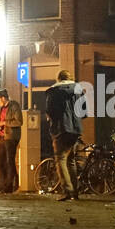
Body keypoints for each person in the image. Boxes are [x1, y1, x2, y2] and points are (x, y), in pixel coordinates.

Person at [45, 69, 82, 201]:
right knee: (71, 159)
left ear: (58, 79)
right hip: (75, 129)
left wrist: (53, 120)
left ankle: (67, 191)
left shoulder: (53, 92)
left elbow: (49, 110)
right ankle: (75, 192)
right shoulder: (77, 90)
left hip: (61, 129)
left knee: (60, 159)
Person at [0, 89, 23, 192]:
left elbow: (19, 121)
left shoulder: (14, 106)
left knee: (9, 161)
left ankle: (9, 186)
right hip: (2, 137)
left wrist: (4, 123)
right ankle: (7, 183)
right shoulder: (1, 109)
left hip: (11, 137)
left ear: (3, 98)